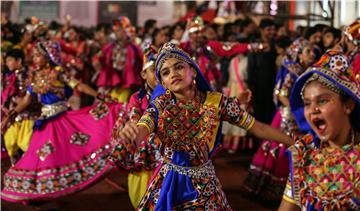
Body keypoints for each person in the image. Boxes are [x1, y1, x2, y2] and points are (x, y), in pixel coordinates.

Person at [118, 42, 291, 210]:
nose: (173, 73)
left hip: (204, 183)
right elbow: (143, 128)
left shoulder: (216, 102)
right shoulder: (159, 106)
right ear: (163, 83)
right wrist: (133, 132)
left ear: (193, 71)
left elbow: (258, 128)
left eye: (179, 67)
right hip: (170, 184)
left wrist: (294, 141)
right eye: (165, 72)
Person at [1, 40, 122, 203]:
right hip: (43, 123)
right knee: (40, 157)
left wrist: (100, 96)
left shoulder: (59, 73)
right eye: (34, 55)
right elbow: (27, 100)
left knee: (62, 154)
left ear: (48, 57)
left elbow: (79, 86)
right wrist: (11, 114)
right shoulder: (34, 76)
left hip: (61, 120)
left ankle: (55, 189)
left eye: (38, 55)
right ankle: (41, 191)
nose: (34, 58)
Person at [278, 50, 360, 210]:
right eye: (307, 103)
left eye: (322, 101)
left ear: (348, 105)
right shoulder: (303, 156)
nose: (313, 109)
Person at [242, 38, 315, 205]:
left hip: (300, 116)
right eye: (308, 52)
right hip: (288, 117)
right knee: (282, 150)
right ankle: (276, 194)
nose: (312, 55)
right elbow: (281, 94)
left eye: (312, 51)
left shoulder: (307, 70)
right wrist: (297, 109)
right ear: (298, 54)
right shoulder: (292, 71)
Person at [109, 46, 162, 208]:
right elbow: (134, 120)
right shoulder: (137, 99)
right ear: (143, 74)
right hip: (145, 159)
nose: (159, 74)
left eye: (163, 70)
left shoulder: (177, 96)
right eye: (154, 70)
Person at [1, 49, 40, 165]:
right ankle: (17, 169)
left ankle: (34, 167)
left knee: (25, 143)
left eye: (10, 60)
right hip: (13, 116)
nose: (7, 63)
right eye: (6, 61)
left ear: (19, 61)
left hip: (27, 115)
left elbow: (30, 98)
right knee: (10, 143)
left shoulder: (29, 75)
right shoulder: (9, 77)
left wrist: (16, 101)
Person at [93, 16, 143, 103]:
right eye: (115, 29)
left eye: (118, 29)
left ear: (126, 31)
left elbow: (144, 61)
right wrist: (97, 62)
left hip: (126, 85)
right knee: (100, 109)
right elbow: (97, 57)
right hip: (109, 84)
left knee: (120, 108)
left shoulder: (135, 48)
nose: (115, 31)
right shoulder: (109, 47)